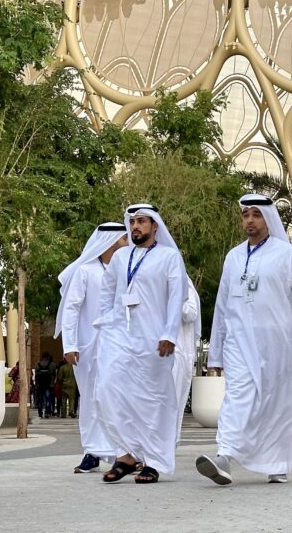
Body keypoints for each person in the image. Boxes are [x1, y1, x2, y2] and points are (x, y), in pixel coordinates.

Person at [195, 194, 292, 486]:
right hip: (239, 344)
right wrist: (216, 353)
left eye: (256, 214)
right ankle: (224, 456)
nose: (250, 220)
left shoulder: (287, 254)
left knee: (278, 406)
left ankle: (277, 462)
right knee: (237, 397)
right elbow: (223, 305)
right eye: (245, 215)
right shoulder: (233, 256)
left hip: (280, 345)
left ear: (268, 219)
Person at [95, 203, 187, 484]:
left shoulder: (169, 257)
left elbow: (176, 297)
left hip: (154, 338)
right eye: (133, 222)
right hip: (119, 335)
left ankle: (154, 460)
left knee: (152, 400)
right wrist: (105, 323)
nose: (136, 226)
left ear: (154, 226)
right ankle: (125, 455)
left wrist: (170, 333)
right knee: (107, 391)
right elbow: (107, 293)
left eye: (142, 222)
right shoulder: (121, 257)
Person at [56, 221, 128, 473]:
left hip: (119, 347)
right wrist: (70, 344)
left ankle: (121, 452)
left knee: (116, 398)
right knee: (90, 398)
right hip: (88, 347)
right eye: (122, 240)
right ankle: (91, 450)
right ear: (108, 242)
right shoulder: (86, 271)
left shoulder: (126, 270)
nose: (127, 244)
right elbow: (71, 309)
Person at [173, 276, 201, 441]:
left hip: (176, 352)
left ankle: (166, 447)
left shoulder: (183, 284)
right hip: (150, 353)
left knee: (172, 404)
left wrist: (173, 298)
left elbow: (191, 313)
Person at [34, 353, 56, 419]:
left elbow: (36, 376)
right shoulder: (52, 364)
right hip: (49, 385)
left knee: (40, 399)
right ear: (48, 357)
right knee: (48, 399)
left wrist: (37, 384)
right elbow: (54, 375)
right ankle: (47, 412)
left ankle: (40, 412)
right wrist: (52, 383)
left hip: (40, 385)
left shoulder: (37, 365)